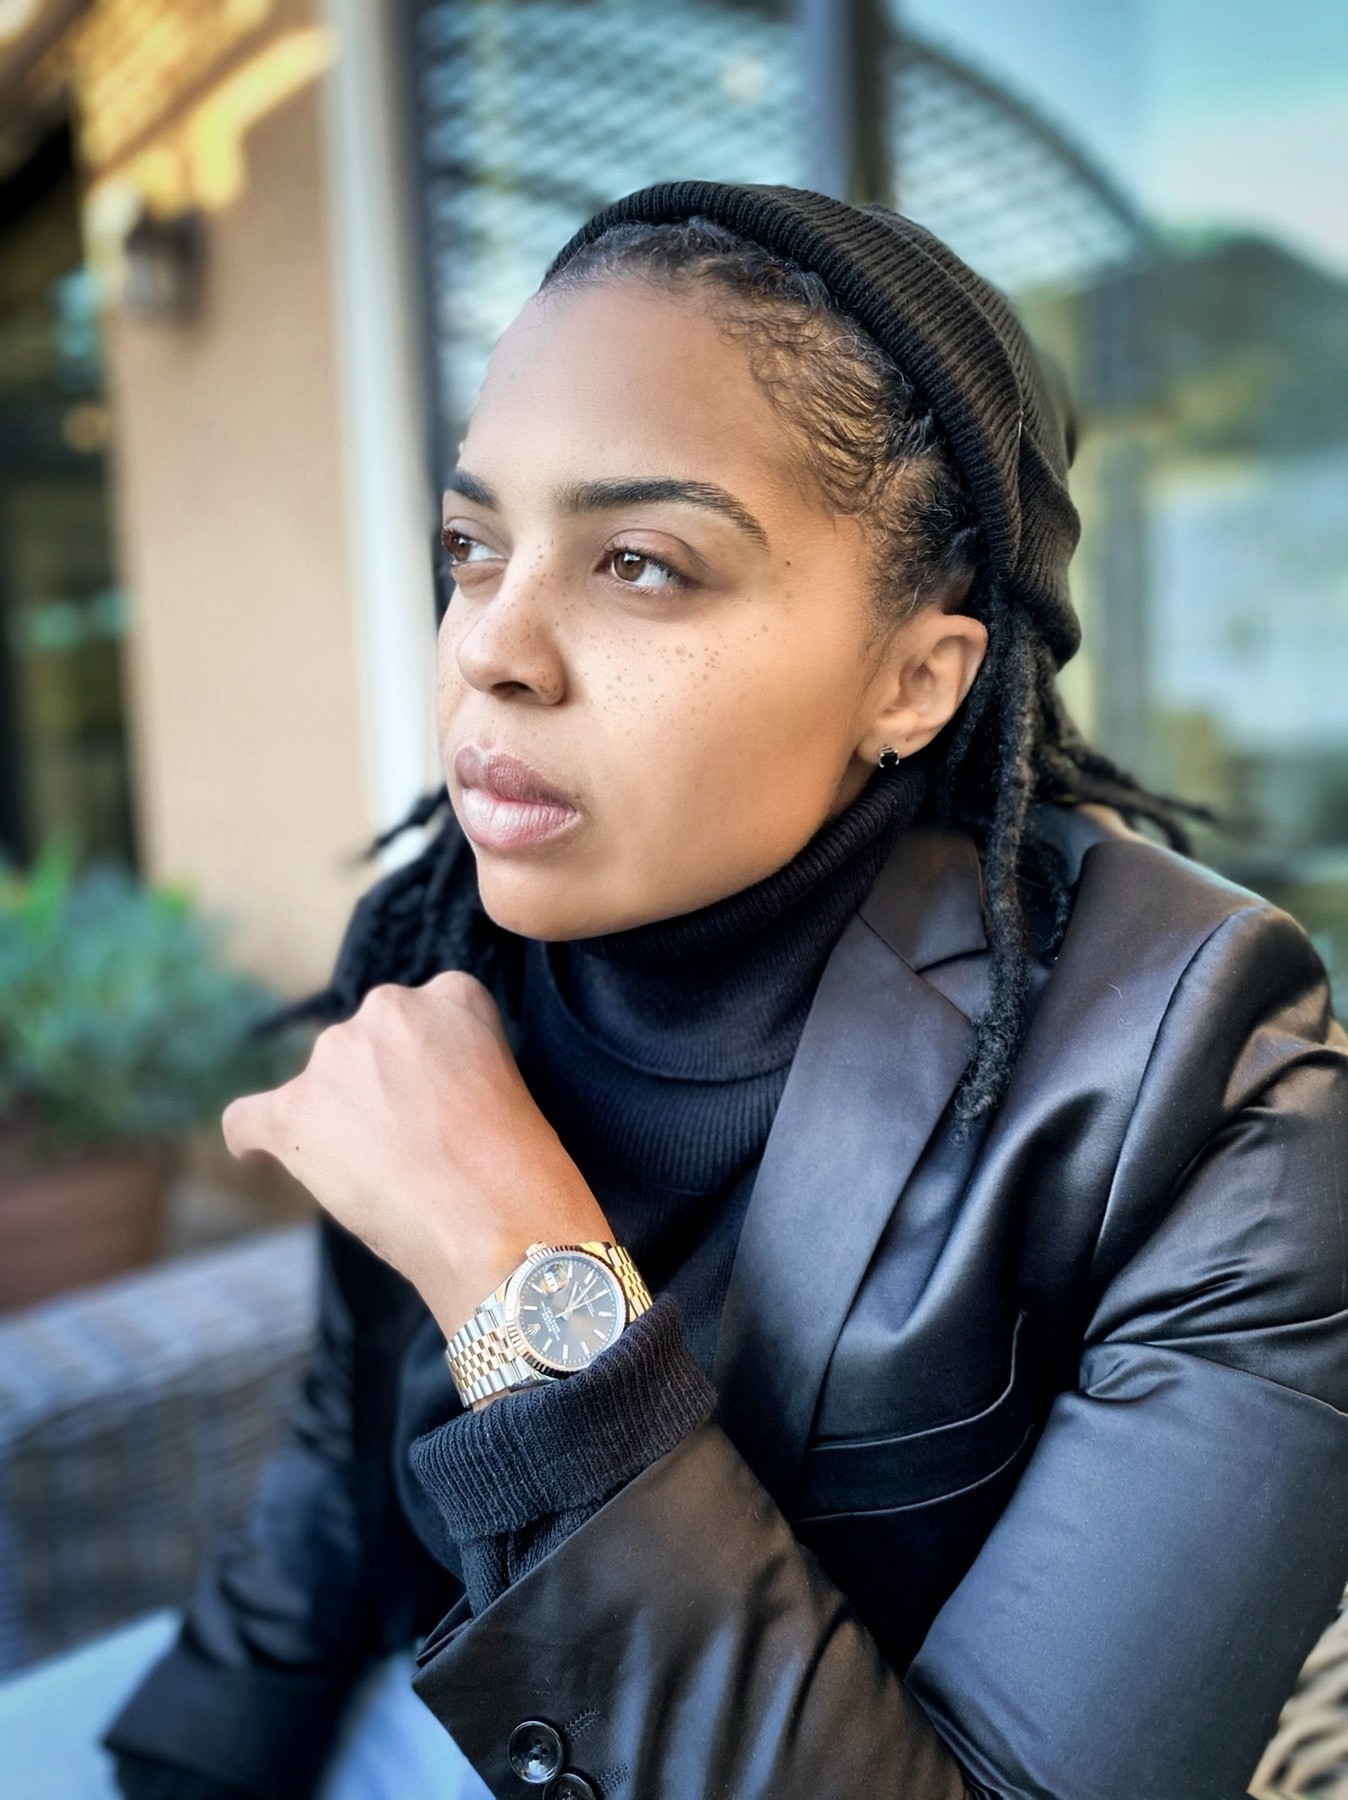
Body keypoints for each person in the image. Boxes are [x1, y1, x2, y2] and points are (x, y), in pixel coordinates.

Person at [102, 182, 1348, 1800]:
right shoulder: (440, 948)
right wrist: (185, 1764)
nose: (492, 649)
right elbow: (343, 1481)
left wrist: (516, 1278)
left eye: (640, 562)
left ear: (916, 678)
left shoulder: (1213, 1091)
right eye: (472, 547)